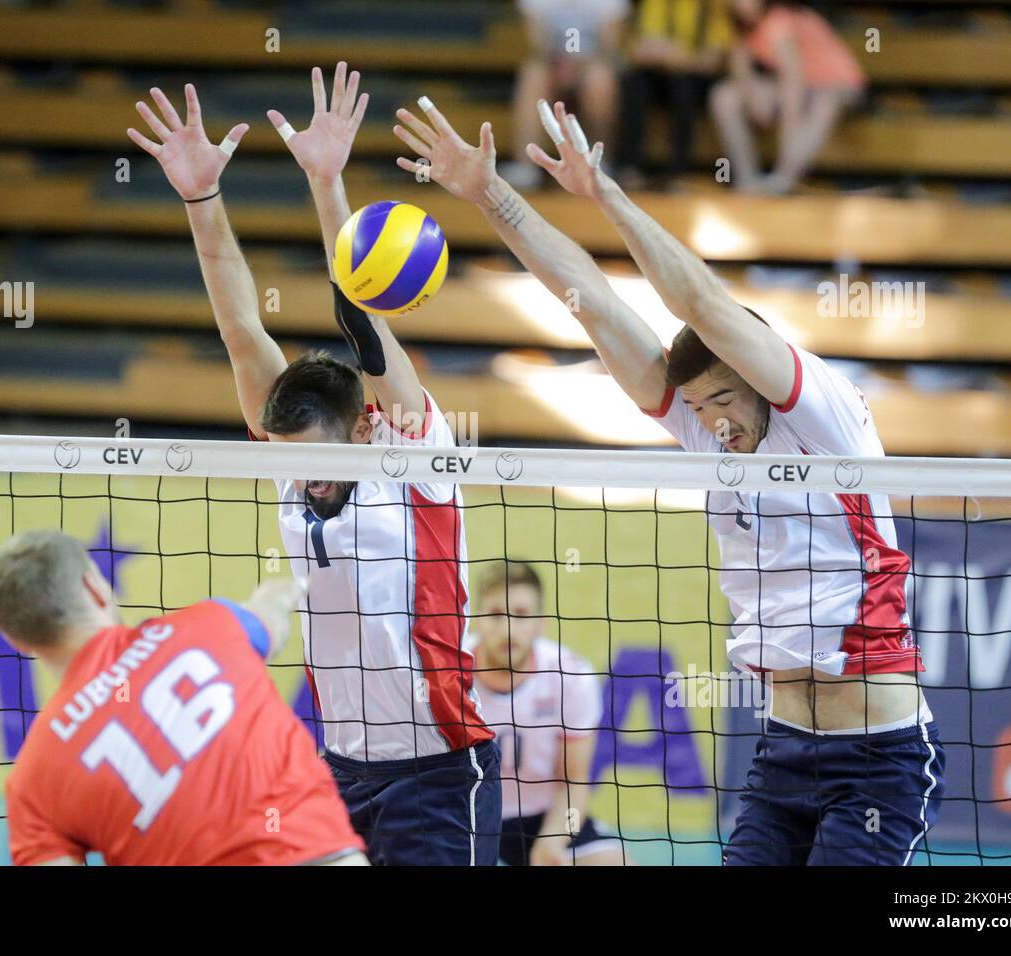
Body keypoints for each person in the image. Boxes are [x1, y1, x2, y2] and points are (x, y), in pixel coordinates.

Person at [392, 97, 943, 866]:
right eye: (695, 406)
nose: (710, 420)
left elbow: (702, 305)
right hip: (784, 753)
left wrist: (604, 194)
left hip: (878, 760)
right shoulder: (703, 431)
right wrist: (492, 195)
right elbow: (593, 305)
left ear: (755, 374)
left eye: (722, 398)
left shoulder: (821, 417)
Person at [127, 67, 500, 866]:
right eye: (291, 466)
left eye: (317, 464)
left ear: (363, 429)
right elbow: (237, 325)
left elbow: (362, 319)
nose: (303, 479)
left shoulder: (413, 457)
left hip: (439, 772)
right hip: (336, 770)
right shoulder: (293, 459)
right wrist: (201, 199)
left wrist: (328, 186)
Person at [0, 530, 366, 866]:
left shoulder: (31, 782)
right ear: (94, 588)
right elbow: (270, 617)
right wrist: (288, 589)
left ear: (17, 641)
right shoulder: (211, 625)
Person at [470, 562, 628, 866]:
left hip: (541, 818)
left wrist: (553, 841)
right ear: (476, 619)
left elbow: (575, 781)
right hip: (466, 815)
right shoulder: (450, 674)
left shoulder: (570, 675)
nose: (507, 628)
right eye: (495, 614)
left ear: (541, 622)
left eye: (521, 614)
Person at [710, 0, 866, 194]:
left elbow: (793, 81)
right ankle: (747, 181)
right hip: (805, 85)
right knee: (724, 96)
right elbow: (740, 67)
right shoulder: (737, 23)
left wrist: (788, 141)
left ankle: (785, 178)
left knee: (823, 103)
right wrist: (753, 98)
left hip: (838, 83)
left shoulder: (779, 19)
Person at [501, 0, 628, 190]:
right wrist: (560, 62)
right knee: (533, 74)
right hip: (552, 62)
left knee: (599, 80)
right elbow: (537, 43)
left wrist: (578, 62)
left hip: (593, 62)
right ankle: (525, 164)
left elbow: (608, 44)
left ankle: (601, 161)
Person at [615, 0, 735, 189]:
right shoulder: (654, 4)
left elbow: (714, 60)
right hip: (659, 76)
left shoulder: (711, 7)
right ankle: (629, 168)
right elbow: (639, 49)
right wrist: (667, 57)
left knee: (683, 86)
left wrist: (681, 58)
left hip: (697, 81)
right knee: (635, 82)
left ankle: (679, 171)